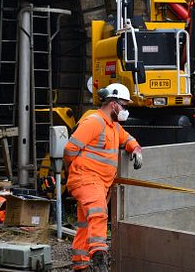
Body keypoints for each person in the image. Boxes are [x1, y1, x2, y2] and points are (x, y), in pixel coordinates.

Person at [63, 83, 143, 272]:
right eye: (124, 105)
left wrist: (136, 149)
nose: (125, 110)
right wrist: (72, 171)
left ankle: (80, 264)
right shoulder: (94, 121)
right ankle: (99, 258)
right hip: (87, 179)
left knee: (85, 224)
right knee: (99, 213)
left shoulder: (113, 126)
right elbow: (70, 149)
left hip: (97, 182)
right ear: (113, 104)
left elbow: (128, 139)